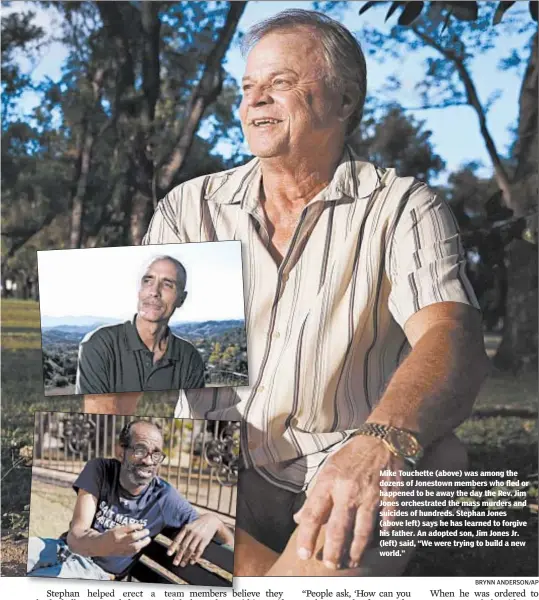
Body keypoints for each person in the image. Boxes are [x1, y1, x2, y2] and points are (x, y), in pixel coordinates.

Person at [84, 10, 490, 576]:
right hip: (211, 466)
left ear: (345, 101)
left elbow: (451, 335)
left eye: (280, 84)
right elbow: (121, 370)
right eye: (248, 88)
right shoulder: (188, 206)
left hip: (345, 463)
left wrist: (379, 444)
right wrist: (105, 477)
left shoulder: (403, 206)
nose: (255, 102)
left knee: (440, 455)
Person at [27, 420, 234, 580]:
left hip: (96, 573)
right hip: (60, 549)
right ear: (120, 451)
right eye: (140, 450)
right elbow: (76, 536)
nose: (148, 461)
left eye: (155, 454)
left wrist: (214, 520)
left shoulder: (165, 498)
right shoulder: (100, 470)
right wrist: (105, 542)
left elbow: (230, 544)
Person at [75, 255, 205, 395]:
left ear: (181, 299)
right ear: (140, 290)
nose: (154, 292)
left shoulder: (190, 357)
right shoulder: (99, 344)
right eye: (148, 281)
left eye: (167, 284)